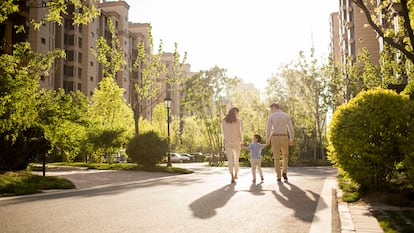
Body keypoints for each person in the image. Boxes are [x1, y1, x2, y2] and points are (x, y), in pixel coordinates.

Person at [265, 103, 294, 182]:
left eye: (271, 109)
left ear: (273, 107)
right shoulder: (286, 115)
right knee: (285, 155)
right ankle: (284, 171)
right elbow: (290, 128)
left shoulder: (271, 116)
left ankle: (278, 176)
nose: (270, 111)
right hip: (284, 136)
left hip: (275, 137)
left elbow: (268, 129)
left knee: (276, 157)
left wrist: (267, 139)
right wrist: (292, 138)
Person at [222, 107, 242, 184]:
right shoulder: (238, 121)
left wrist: (226, 139)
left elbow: (223, 132)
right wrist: (241, 141)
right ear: (235, 112)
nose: (237, 114)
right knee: (236, 159)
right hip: (236, 141)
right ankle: (236, 174)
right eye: (237, 112)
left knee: (230, 160)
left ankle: (232, 176)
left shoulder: (224, 121)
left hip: (228, 142)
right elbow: (239, 132)